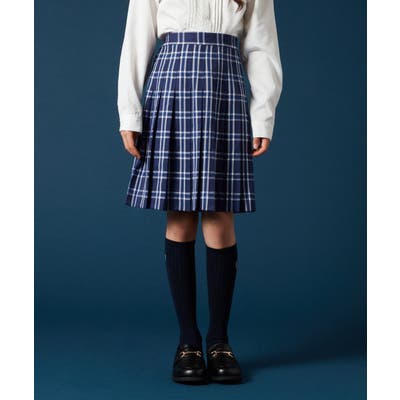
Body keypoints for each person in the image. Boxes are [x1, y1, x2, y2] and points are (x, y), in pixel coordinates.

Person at [117, 0, 282, 384]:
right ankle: (188, 342)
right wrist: (130, 113)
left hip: (225, 87)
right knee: (180, 215)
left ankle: (219, 342)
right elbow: (136, 39)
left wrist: (262, 115)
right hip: (172, 85)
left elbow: (262, 46)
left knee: (220, 216)